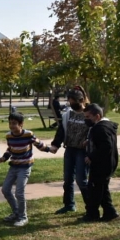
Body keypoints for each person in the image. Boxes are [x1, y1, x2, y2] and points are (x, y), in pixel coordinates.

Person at [0, 112, 50, 227]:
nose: (12, 126)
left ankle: (23, 217)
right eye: (10, 123)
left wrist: (49, 149)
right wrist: (3, 158)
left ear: (21, 124)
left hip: (25, 167)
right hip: (13, 166)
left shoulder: (28, 134)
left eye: (14, 123)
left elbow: (39, 144)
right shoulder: (9, 136)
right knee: (5, 190)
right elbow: (10, 149)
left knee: (19, 193)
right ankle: (16, 212)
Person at [48, 86, 90, 215]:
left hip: (82, 152)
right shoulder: (68, 114)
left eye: (73, 101)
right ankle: (69, 205)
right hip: (70, 150)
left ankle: (91, 206)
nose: (71, 103)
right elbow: (61, 130)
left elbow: (96, 129)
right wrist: (55, 145)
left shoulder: (89, 114)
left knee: (81, 180)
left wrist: (90, 142)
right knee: (67, 180)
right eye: (69, 101)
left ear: (81, 100)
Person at [81, 103, 119, 222]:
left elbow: (106, 146)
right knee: (102, 188)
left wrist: (91, 156)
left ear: (97, 116)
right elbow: (103, 142)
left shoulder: (100, 128)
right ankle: (110, 211)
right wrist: (89, 141)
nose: (86, 120)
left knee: (95, 189)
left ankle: (92, 214)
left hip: (101, 165)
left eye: (88, 117)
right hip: (108, 163)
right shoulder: (106, 126)